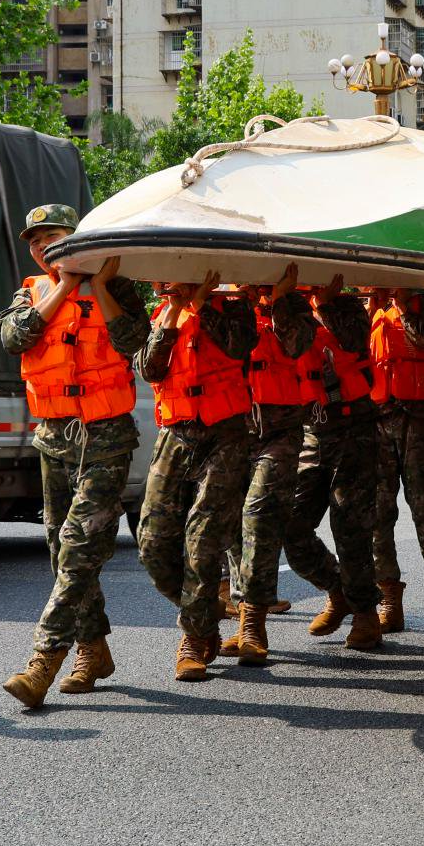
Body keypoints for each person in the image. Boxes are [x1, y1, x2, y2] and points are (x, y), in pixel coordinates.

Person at [1, 206, 148, 707]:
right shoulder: (32, 290)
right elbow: (13, 337)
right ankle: (94, 649)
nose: (43, 246)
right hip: (53, 438)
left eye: (54, 237)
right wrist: (62, 287)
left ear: (78, 240)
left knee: (78, 548)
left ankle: (44, 661)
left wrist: (97, 287)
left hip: (105, 437)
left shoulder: (118, 285)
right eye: (35, 240)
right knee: (60, 552)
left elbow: (136, 342)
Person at [138, 274, 256, 680]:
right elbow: (151, 369)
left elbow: (239, 346)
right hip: (175, 433)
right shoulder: (161, 315)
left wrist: (202, 302)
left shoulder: (234, 308)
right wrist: (173, 310)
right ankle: (204, 616)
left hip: (224, 433)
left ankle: (192, 638)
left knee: (203, 541)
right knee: (152, 543)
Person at [285, 282, 387, 650]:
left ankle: (365, 615)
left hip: (355, 427)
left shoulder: (348, 309)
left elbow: (351, 340)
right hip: (313, 430)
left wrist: (325, 302)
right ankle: (336, 588)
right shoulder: (285, 308)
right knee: (290, 523)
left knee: (350, 525)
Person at [224, 265, 316, 666]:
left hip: (281, 428)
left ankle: (253, 621)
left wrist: (277, 298)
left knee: (257, 516)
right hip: (234, 426)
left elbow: (296, 345)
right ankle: (340, 588)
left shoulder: (295, 304)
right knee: (236, 524)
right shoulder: (226, 303)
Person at [370, 289, 424, 631]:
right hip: (379, 417)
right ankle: (389, 597)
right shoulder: (372, 307)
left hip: (418, 417)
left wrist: (405, 307)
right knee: (379, 512)